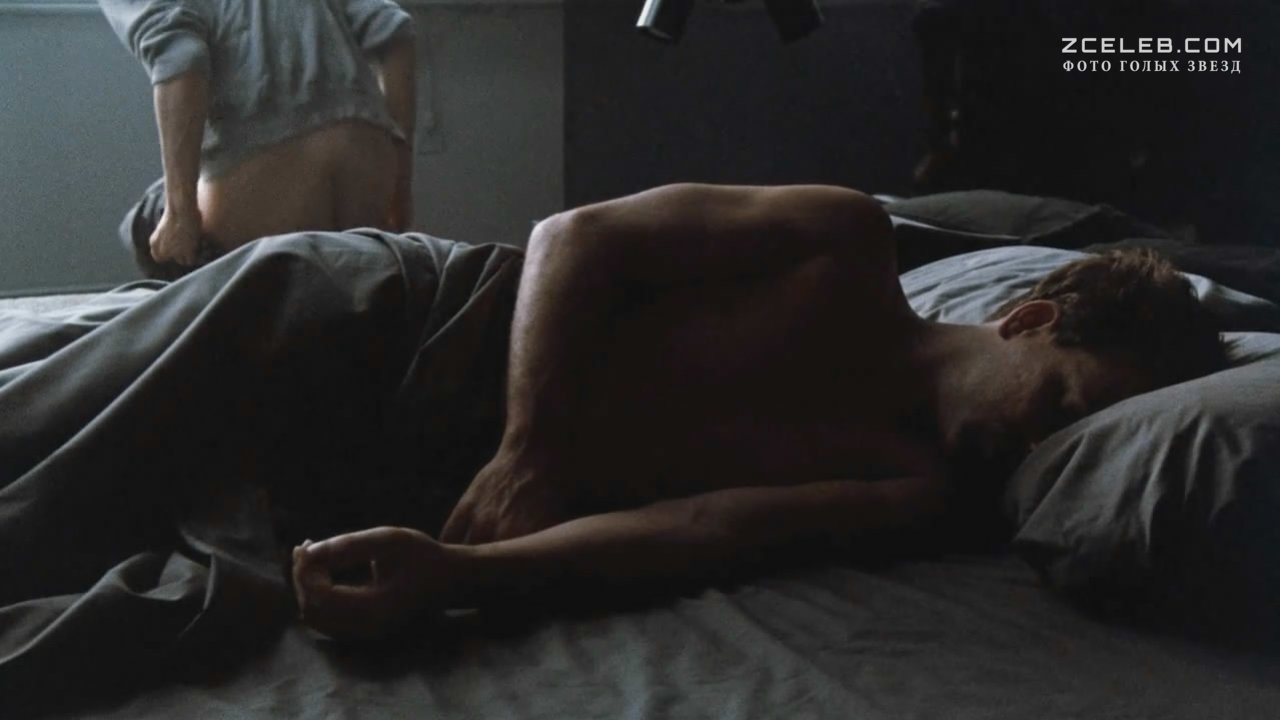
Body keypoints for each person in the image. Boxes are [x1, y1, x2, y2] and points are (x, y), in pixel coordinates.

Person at [288, 183, 1227, 641]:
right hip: (420, 318)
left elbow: (701, 527)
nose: (1037, 444)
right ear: (1027, 322)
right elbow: (574, 236)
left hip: (416, 463)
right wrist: (528, 452)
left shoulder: (911, 487)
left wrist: (463, 571)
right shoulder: (842, 243)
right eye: (1059, 402)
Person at [100, 0, 417, 279]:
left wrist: (179, 215)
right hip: (368, 175)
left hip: (272, 194)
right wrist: (399, 189)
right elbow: (396, 34)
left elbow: (182, 57)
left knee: (145, 223)